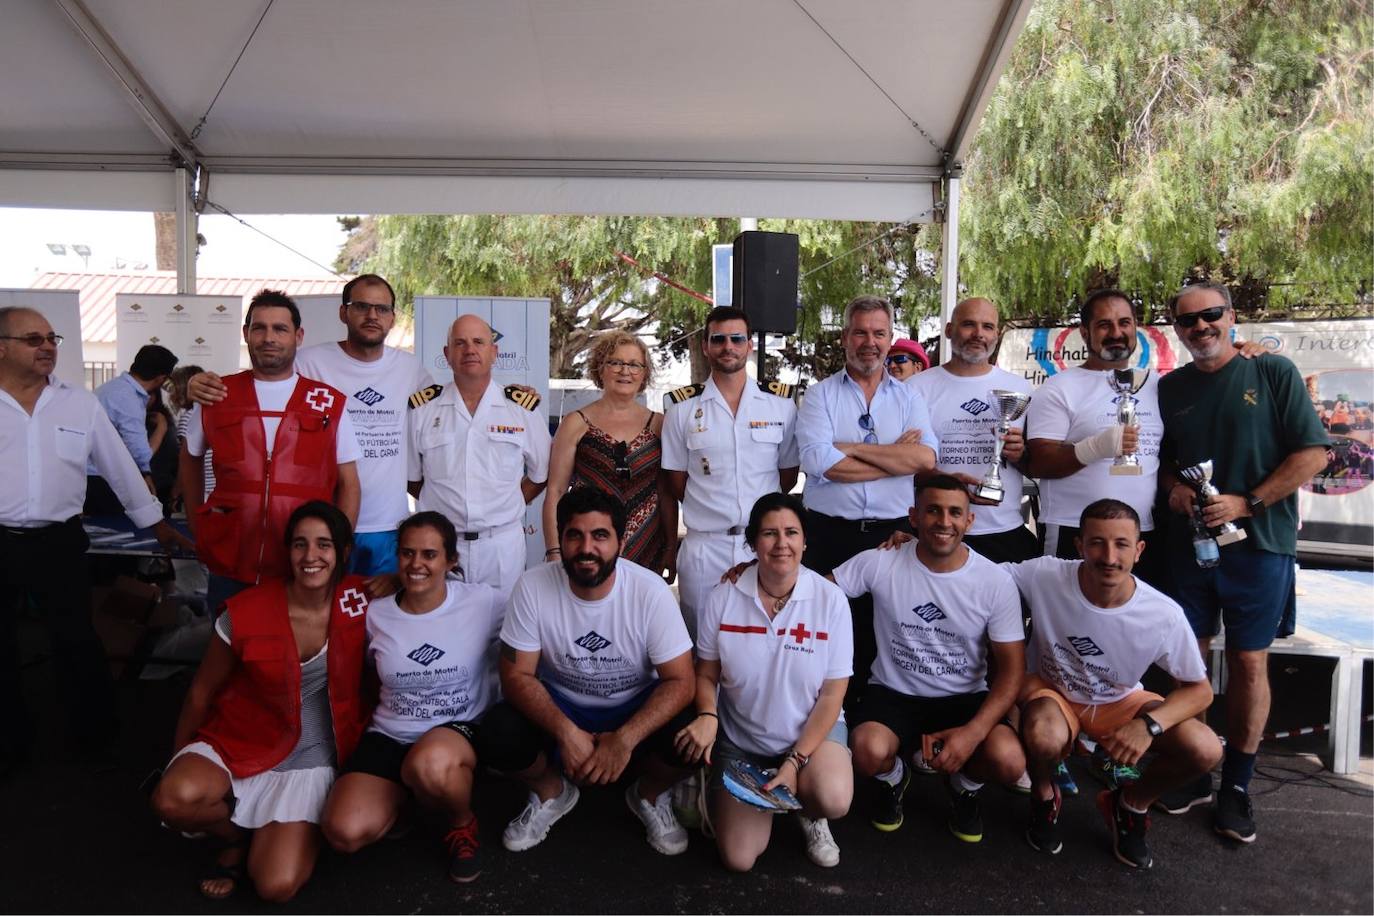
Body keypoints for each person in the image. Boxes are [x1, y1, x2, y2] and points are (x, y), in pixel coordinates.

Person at [1155, 281, 1328, 843]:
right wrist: (1176, 493)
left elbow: (1313, 454)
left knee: (1251, 664)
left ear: (1232, 316)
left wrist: (1249, 503)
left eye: (1210, 315)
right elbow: (1163, 464)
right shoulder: (1169, 387)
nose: (1200, 327)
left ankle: (1238, 785)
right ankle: (1197, 769)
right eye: (1187, 321)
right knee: (1189, 662)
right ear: (1176, 330)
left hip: (1260, 546)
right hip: (1190, 548)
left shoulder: (1272, 372)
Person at [150, 501, 372, 901]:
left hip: (313, 749)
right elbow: (201, 692)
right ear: (287, 551)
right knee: (172, 797)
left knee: (275, 885)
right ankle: (235, 837)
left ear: (342, 552)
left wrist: (392, 580)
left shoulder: (360, 600)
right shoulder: (246, 611)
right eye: (300, 544)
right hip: (243, 734)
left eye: (324, 545)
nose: (311, 556)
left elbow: (415, 591)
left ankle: (274, 837)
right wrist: (178, 756)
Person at [0, 307, 190, 768]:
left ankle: (95, 740)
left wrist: (157, 524)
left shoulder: (79, 404)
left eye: (51, 337)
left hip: (59, 542)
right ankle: (10, 746)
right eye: (32, 339)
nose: (47, 346)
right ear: (1, 346)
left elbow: (120, 467)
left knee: (76, 640)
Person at [482, 487, 695, 855]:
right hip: (564, 705)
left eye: (600, 535)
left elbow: (681, 681)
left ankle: (648, 794)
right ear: (560, 538)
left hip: (631, 705)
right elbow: (515, 676)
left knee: (692, 732)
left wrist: (626, 738)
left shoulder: (649, 591)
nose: (586, 548)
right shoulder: (532, 586)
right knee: (497, 731)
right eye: (574, 535)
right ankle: (551, 791)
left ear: (619, 540)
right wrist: (566, 731)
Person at [1011, 499, 1223, 870]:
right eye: (1097, 543)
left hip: (1118, 700)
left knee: (1205, 749)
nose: (1109, 556)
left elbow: (1199, 689)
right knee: (1044, 734)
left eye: (1121, 544)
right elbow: (975, 573)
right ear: (1079, 546)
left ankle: (1130, 804)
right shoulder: (1044, 574)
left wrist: (1148, 726)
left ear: (1139, 550)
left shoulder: (1162, 613)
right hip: (1054, 692)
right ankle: (1045, 795)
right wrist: (911, 548)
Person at [189, 275, 431, 575]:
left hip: (387, 523)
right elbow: (265, 378)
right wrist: (198, 383)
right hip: (319, 527)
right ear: (343, 312)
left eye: (382, 309)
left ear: (393, 317)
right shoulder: (309, 361)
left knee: (377, 618)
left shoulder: (412, 371)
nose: (372, 316)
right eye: (362, 306)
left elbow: (435, 426)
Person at [832, 475, 1026, 844]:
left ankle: (964, 787)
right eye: (933, 510)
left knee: (1010, 761)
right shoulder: (881, 561)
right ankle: (893, 779)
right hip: (893, 692)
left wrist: (972, 734)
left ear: (970, 521)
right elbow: (813, 592)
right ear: (913, 517)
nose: (944, 521)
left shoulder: (994, 581)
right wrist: (756, 570)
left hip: (964, 697)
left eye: (955, 512)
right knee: (866, 751)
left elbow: (1013, 672)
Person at [322, 511, 505, 884]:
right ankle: (406, 799)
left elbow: (537, 619)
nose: (416, 564)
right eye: (407, 554)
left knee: (430, 765)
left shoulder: (483, 602)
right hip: (390, 732)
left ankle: (461, 823)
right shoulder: (376, 613)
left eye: (429, 555)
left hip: (455, 733)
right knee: (344, 831)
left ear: (451, 560)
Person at [675, 492, 851, 870]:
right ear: (753, 543)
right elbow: (705, 673)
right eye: (769, 533)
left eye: (792, 532)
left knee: (834, 797)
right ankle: (753, 793)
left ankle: (807, 810)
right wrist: (708, 715)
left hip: (810, 742)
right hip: (743, 742)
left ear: (805, 540)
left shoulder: (830, 600)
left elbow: (833, 694)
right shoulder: (723, 597)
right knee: (739, 859)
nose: (782, 543)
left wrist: (795, 761)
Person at [179, 290, 362, 617]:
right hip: (230, 560)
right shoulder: (217, 394)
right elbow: (190, 456)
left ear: (298, 336)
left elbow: (349, 483)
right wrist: (197, 522)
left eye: (280, 329)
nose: (269, 338)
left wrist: (337, 547)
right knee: (228, 651)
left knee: (293, 660)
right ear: (246, 334)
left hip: (302, 565)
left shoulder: (328, 403)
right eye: (259, 328)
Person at [796, 294, 938, 708]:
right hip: (828, 536)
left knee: (885, 637)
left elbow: (925, 458)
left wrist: (849, 449)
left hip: (891, 536)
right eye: (860, 332)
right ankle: (827, 726)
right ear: (844, 337)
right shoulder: (821, 395)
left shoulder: (910, 397)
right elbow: (820, 462)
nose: (869, 342)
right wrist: (895, 457)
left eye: (879, 333)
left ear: (890, 338)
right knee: (824, 636)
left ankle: (875, 732)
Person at [661, 305, 799, 637]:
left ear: (749, 344)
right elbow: (676, 481)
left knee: (763, 641)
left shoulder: (781, 405)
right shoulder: (681, 409)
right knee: (701, 643)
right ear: (706, 346)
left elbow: (788, 476)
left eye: (737, 338)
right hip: (705, 549)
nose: (728, 347)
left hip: (763, 546)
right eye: (718, 339)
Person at [407, 314, 551, 602]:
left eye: (478, 342)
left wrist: (509, 502)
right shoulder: (422, 409)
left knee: (502, 635)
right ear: (447, 355)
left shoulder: (520, 408)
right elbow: (412, 479)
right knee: (441, 629)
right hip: (442, 545)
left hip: (500, 547)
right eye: (459, 343)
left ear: (494, 352)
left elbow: (542, 473)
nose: (469, 349)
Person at [908, 297, 1038, 563]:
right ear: (948, 330)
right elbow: (904, 466)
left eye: (988, 327)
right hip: (937, 532)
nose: (979, 334)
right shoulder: (915, 388)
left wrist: (1020, 453)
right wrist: (949, 484)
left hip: (1003, 530)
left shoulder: (1020, 389)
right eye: (969, 324)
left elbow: (1035, 464)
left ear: (997, 334)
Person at [544, 330, 676, 578]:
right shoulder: (576, 422)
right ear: (600, 368)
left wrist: (670, 547)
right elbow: (556, 491)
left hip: (646, 548)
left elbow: (666, 493)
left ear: (644, 373)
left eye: (634, 364)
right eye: (615, 362)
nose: (625, 371)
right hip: (588, 545)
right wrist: (554, 550)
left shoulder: (660, 424)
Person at [84, 343, 178, 514]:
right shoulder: (128, 398)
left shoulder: (113, 389)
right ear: (161, 379)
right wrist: (162, 428)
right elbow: (140, 454)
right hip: (102, 481)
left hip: (92, 477)